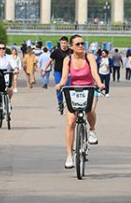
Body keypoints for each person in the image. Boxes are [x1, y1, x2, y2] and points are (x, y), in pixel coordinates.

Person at [55, 35, 106, 168]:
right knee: (71, 121)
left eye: (82, 43)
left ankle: (92, 130)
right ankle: (69, 156)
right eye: (77, 44)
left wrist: (100, 84)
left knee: (90, 110)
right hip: (74, 90)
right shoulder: (68, 59)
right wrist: (60, 84)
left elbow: (95, 73)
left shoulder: (89, 57)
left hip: (89, 88)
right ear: (72, 46)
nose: (81, 46)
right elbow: (65, 76)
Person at [44, 36, 72, 114]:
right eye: (62, 43)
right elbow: (50, 61)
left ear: (67, 44)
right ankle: (60, 104)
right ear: (60, 43)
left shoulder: (71, 52)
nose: (63, 45)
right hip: (58, 72)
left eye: (65, 43)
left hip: (68, 73)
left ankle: (69, 105)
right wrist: (45, 69)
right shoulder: (56, 51)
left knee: (67, 88)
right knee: (58, 88)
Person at [0, 43, 18, 122]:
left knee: (9, 89)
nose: (1, 50)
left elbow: (14, 65)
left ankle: (8, 102)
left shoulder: (9, 57)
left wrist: (16, 69)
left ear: (5, 49)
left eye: (3, 48)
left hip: (6, 76)